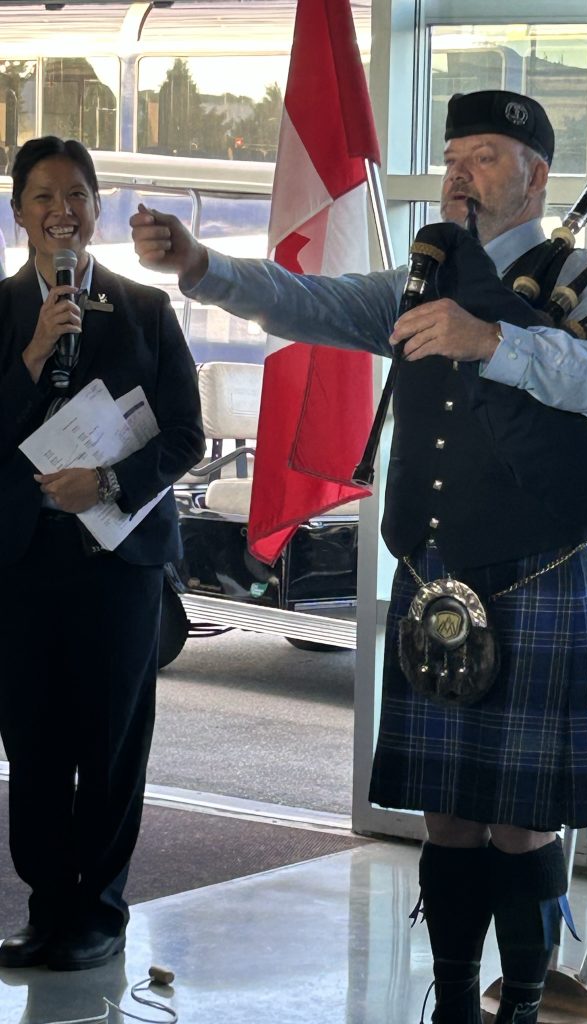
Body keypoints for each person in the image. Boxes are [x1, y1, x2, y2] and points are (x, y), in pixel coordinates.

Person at [130, 91, 587, 1024]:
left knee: (524, 822)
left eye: (484, 156)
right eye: (453, 156)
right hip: (433, 580)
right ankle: (453, 1006)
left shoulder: (582, 276)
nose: (458, 173)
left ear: (534, 175)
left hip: (536, 574)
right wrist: (202, 267)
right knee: (447, 816)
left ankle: (521, 1006)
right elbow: (309, 302)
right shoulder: (423, 275)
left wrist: (493, 339)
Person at [0, 137, 204, 971]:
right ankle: (48, 907)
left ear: (97, 208)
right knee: (33, 742)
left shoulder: (147, 312)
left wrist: (110, 481)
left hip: (117, 566)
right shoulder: (5, 313)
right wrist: (33, 355)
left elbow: (186, 435)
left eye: (78, 194)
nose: (63, 210)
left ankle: (100, 913)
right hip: (21, 564)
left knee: (111, 741)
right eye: (44, 195)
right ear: (18, 212)